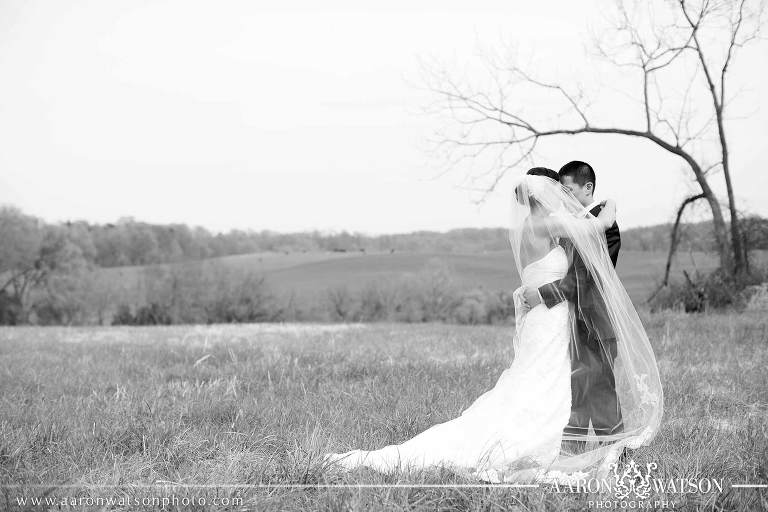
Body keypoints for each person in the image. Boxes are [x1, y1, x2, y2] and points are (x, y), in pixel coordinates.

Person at [323, 170, 663, 484]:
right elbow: (597, 226)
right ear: (545, 196)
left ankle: (561, 440)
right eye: (558, 192)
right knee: (542, 379)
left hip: (547, 319)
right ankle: (541, 441)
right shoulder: (548, 224)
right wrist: (611, 204)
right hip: (549, 318)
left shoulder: (530, 226)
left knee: (542, 378)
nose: (564, 197)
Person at [522, 161, 623, 439]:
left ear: (587, 188)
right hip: (571, 320)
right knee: (574, 388)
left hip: (594, 317)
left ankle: (613, 451)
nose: (562, 197)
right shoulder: (574, 224)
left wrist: (543, 294)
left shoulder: (603, 225)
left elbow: (584, 275)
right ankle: (571, 447)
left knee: (600, 386)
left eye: (568, 190)